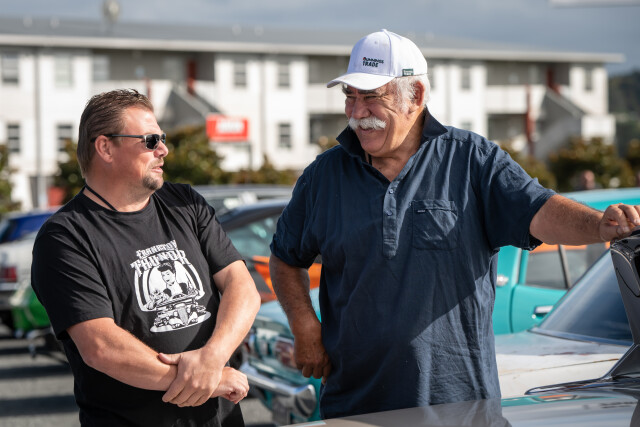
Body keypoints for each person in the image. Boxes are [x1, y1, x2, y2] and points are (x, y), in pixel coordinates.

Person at [268, 29, 640, 419]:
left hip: (460, 407)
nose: (357, 112)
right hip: (354, 406)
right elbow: (284, 258)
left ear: (416, 96)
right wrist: (304, 325)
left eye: (372, 97)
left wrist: (599, 224)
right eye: (351, 96)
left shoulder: (473, 160)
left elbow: (540, 211)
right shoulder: (325, 175)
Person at [31, 89, 261, 426]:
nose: (163, 150)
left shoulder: (185, 203)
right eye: (150, 140)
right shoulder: (65, 236)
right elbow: (101, 346)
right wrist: (205, 380)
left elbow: (242, 286)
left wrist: (212, 360)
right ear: (105, 147)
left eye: (163, 139)